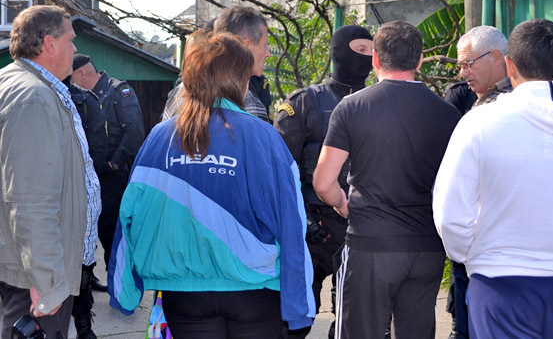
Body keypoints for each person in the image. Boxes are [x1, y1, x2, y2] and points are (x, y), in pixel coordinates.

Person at [107, 32, 315, 338]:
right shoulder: (263, 137)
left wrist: (124, 291)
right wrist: (300, 306)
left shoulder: (159, 137)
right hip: (255, 291)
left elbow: (129, 216)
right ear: (239, 80)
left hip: (184, 294)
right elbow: (291, 223)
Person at [433, 19, 553, 339]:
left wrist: (476, 257)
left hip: (501, 286)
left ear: (509, 65)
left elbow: (449, 215)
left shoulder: (478, 123)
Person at [313, 21, 461, 339]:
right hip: (426, 248)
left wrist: (344, 206)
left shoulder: (352, 107)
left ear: (375, 59)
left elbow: (323, 183)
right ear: (420, 60)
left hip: (370, 244)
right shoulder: (447, 114)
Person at [0, 5, 101, 339]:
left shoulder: (21, 83)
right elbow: (30, 200)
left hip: (27, 267)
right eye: (70, 39)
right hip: (35, 277)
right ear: (49, 44)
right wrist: (48, 282)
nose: (75, 48)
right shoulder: (34, 97)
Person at [273, 24, 373, 337]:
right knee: (296, 319)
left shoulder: (378, 102)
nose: (367, 58)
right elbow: (280, 171)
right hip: (312, 230)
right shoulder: (305, 103)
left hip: (359, 228)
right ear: (339, 52)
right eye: (360, 50)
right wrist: (304, 222)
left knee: (352, 321)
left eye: (372, 52)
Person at [447, 25, 511, 339]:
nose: (463, 72)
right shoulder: (469, 99)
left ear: (497, 57)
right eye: (460, 65)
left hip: (495, 254)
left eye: (468, 63)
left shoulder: (512, 106)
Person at [70, 54, 145, 288]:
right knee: (87, 225)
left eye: (71, 78)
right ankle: (87, 276)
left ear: (81, 73)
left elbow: (134, 131)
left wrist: (114, 163)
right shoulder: (84, 97)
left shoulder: (119, 91)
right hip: (90, 171)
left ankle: (118, 282)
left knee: (110, 228)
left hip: (111, 174)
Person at [162, 7, 272, 122]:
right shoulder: (248, 103)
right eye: (265, 44)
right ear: (246, 45)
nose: (268, 53)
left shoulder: (180, 94)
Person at [65, 78, 108, 339]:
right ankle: (83, 327)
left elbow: (98, 147)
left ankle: (83, 326)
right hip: (74, 193)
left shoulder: (84, 100)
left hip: (78, 193)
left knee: (81, 264)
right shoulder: (84, 99)